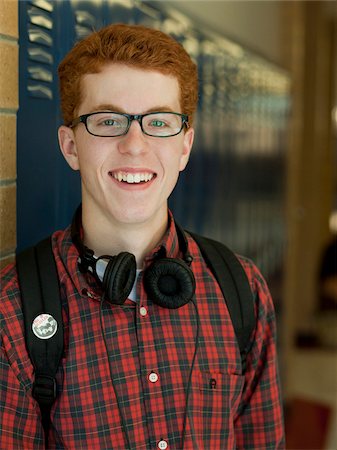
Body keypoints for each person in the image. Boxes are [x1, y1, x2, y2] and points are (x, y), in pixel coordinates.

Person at [0, 23, 285, 449]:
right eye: (109, 120)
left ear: (185, 147)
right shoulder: (12, 311)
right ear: (71, 146)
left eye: (158, 121)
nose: (135, 145)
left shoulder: (241, 290)